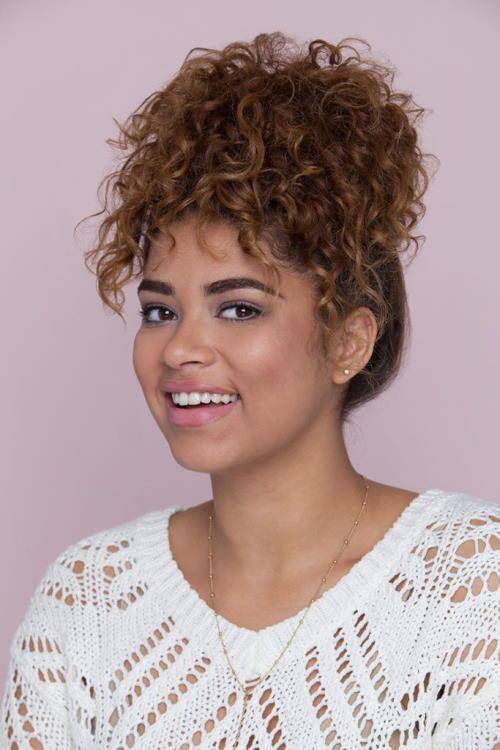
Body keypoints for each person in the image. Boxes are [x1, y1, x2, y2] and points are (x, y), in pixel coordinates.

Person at [1, 31, 498, 750]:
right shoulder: (85, 603)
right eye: (159, 311)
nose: (180, 348)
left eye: (239, 308)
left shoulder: (472, 590)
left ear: (349, 341)